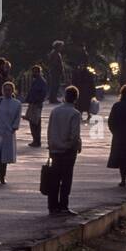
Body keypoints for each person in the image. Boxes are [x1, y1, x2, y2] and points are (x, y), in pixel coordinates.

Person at [46, 83, 82, 214]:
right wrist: (73, 145)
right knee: (66, 179)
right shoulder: (75, 113)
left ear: (65, 97)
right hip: (67, 151)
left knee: (54, 179)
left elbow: (49, 130)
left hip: (55, 149)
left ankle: (52, 206)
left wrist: (50, 145)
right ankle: (63, 206)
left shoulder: (55, 111)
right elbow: (74, 135)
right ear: (76, 98)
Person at [24, 64, 48, 148]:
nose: (33, 73)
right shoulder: (36, 81)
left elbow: (43, 94)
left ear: (38, 72)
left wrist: (36, 100)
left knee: (35, 122)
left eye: (34, 72)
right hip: (33, 103)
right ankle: (35, 140)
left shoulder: (41, 81)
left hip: (36, 104)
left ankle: (37, 140)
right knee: (32, 122)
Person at [46, 40, 65, 104]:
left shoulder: (54, 53)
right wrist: (60, 70)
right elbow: (55, 63)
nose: (61, 48)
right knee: (55, 85)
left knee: (55, 85)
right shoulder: (55, 53)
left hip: (54, 71)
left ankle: (53, 98)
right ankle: (53, 99)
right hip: (55, 71)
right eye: (61, 46)